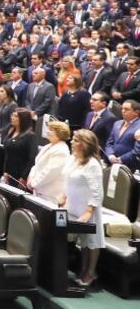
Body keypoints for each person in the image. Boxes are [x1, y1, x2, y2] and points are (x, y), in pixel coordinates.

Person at [58, 129, 105, 288]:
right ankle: (83, 268)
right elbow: (66, 180)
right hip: (72, 205)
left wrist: (89, 210)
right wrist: (63, 195)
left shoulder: (93, 164)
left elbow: (96, 190)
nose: (72, 142)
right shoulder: (73, 159)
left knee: (91, 241)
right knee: (82, 243)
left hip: (87, 206)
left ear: (85, 145)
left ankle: (91, 272)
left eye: (76, 140)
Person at [26, 120, 71, 203]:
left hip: (50, 195)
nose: (47, 131)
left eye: (51, 130)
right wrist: (31, 177)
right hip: (39, 190)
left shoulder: (61, 151)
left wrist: (33, 183)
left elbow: (49, 172)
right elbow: (36, 165)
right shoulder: (48, 146)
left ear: (59, 133)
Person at [1, 108, 37, 189]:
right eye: (12, 115)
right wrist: (5, 171)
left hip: (20, 176)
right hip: (9, 174)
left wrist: (24, 177)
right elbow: (7, 154)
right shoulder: (11, 132)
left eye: (16, 116)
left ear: (23, 119)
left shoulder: (30, 136)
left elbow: (32, 159)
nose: (12, 118)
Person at [105, 99, 140, 170]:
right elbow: (109, 142)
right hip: (111, 163)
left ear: (136, 112)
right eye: (122, 108)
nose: (123, 111)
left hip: (130, 166)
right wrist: (110, 155)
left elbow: (138, 149)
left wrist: (121, 159)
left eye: (126, 109)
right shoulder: (117, 123)